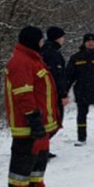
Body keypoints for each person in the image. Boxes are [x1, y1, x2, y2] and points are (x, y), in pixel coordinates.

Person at [5, 26, 61, 187]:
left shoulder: (33, 59)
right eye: (40, 40)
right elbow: (23, 94)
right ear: (32, 41)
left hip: (40, 121)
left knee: (39, 157)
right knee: (24, 158)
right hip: (26, 122)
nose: (43, 43)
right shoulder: (21, 62)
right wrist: (33, 117)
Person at [40, 26, 70, 158]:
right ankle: (39, 149)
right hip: (52, 93)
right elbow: (57, 75)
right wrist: (63, 93)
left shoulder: (43, 51)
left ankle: (42, 148)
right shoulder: (52, 54)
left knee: (48, 121)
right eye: (62, 37)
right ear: (58, 38)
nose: (63, 40)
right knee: (54, 121)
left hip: (44, 92)